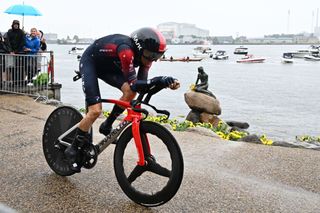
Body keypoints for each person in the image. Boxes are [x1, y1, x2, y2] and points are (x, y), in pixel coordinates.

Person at [64, 27, 180, 172]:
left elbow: (139, 87)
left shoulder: (146, 58)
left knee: (131, 93)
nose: (151, 59)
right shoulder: (126, 50)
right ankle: (73, 149)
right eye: (150, 54)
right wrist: (158, 80)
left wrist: (163, 83)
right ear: (139, 47)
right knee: (95, 111)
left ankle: (107, 124)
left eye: (156, 56)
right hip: (91, 62)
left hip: (109, 66)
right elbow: (135, 82)